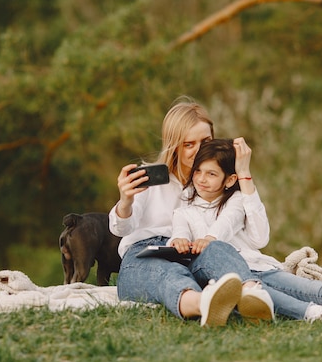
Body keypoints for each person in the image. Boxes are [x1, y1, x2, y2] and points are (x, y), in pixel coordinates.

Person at [170, 138, 322, 323]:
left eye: (211, 174)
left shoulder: (238, 200)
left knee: (309, 288)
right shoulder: (184, 210)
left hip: (258, 266)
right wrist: (178, 240)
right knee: (267, 295)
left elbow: (255, 235)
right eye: (198, 171)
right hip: (231, 278)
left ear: (229, 180)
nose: (201, 179)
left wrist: (244, 173)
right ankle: (314, 314)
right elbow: (179, 233)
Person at [109, 97, 275, 327]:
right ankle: (205, 303)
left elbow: (258, 238)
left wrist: (244, 175)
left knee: (185, 273)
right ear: (174, 145)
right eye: (189, 144)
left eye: (205, 140)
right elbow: (121, 228)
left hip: (192, 258)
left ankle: (226, 299)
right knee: (167, 276)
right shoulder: (151, 178)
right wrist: (125, 201)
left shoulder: (220, 184)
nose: (198, 150)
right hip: (143, 257)